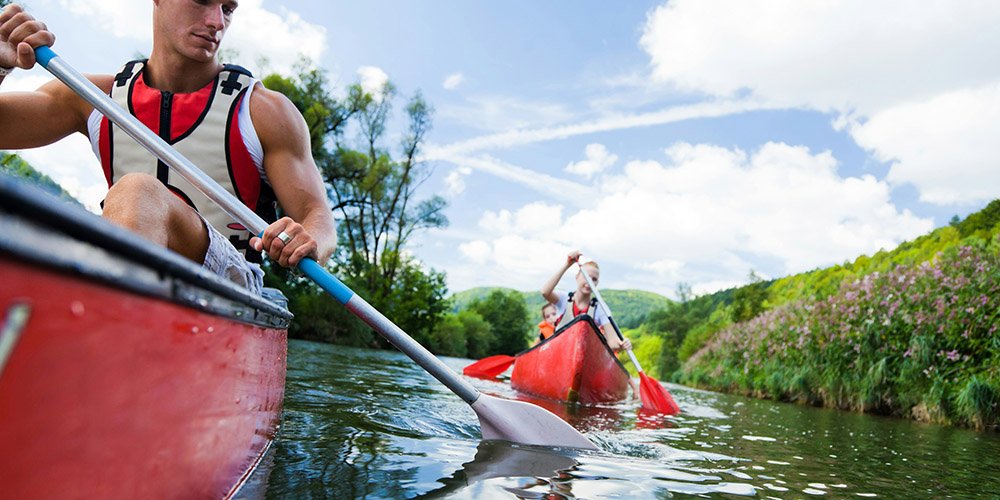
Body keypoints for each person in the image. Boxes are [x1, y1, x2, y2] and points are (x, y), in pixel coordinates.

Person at [0, 1, 336, 295]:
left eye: (228, 9)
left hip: (229, 281)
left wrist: (308, 240)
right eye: (202, 1)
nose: (217, 22)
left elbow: (318, 218)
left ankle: (101, 328)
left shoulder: (265, 111)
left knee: (136, 191)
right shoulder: (91, 97)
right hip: (121, 261)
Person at [540, 250, 631, 353]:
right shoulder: (564, 299)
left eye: (594, 279)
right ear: (577, 277)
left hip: (584, 354)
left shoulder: (600, 308)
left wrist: (622, 344)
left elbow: (612, 342)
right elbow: (545, 292)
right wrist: (567, 264)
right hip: (559, 353)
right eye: (586, 276)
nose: (589, 281)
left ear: (597, 283)